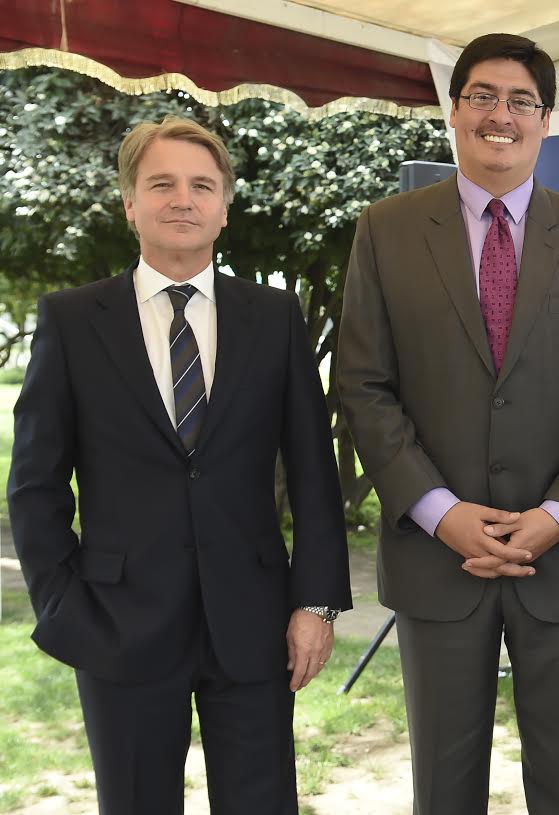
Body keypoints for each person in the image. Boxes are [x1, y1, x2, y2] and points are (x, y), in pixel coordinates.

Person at [336, 32, 559, 815]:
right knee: (443, 788)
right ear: (453, 110)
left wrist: (558, 515)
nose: (499, 116)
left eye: (520, 101)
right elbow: (364, 386)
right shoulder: (386, 230)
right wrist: (440, 512)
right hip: (438, 559)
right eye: (481, 96)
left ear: (545, 120)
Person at [8, 116, 352, 815]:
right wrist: (64, 604)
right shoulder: (72, 321)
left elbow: (314, 472)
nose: (183, 200)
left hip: (255, 620)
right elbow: (35, 485)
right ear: (130, 203)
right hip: (117, 622)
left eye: (202, 185)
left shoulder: (275, 317)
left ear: (224, 207)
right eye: (161, 183)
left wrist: (315, 602)